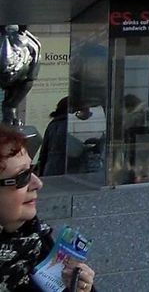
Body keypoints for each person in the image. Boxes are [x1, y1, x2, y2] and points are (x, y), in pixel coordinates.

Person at [0, 124, 97, 292]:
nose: (37, 183)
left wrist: (79, 288)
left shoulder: (33, 237)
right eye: (22, 176)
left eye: (32, 169)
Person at [35, 98, 70, 177]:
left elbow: (44, 151)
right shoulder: (65, 124)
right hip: (63, 170)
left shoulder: (53, 124)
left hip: (50, 169)